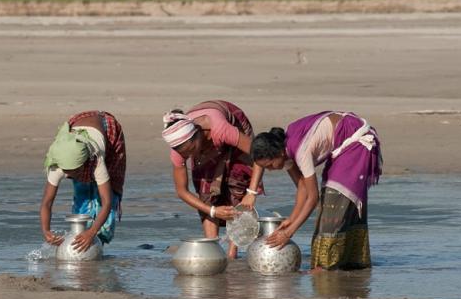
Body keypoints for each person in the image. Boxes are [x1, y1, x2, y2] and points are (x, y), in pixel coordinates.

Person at [250, 111, 382, 271]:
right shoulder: (284, 149)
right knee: (335, 201)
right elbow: (302, 187)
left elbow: (313, 198)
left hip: (357, 143)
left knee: (335, 200)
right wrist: (291, 219)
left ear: (278, 154)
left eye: (269, 165)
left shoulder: (300, 151)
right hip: (343, 144)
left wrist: (289, 232)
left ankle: (325, 267)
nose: (270, 170)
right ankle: (345, 263)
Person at [162, 100, 265, 259]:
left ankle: (232, 253)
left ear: (198, 133)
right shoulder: (178, 150)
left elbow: (260, 155)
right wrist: (213, 211)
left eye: (192, 150)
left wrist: (251, 192)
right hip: (207, 138)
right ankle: (213, 249)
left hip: (235, 125)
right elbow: (182, 191)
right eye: (186, 155)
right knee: (206, 190)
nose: (191, 156)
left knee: (237, 183)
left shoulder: (221, 129)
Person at [40, 111, 126, 252]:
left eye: (74, 172)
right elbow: (47, 202)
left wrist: (92, 233)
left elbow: (107, 202)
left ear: (84, 164)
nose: (68, 175)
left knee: (107, 192)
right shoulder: (57, 166)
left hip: (106, 129)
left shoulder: (96, 161)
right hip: (77, 129)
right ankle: (83, 235)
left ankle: (99, 243)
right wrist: (46, 231)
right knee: (83, 193)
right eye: (66, 172)